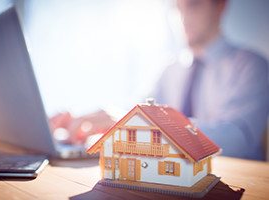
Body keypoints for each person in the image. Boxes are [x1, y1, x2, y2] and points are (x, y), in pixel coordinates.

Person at [51, 0, 269, 160]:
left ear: (220, 6)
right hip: (172, 181)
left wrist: (146, 123)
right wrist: (84, 118)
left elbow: (237, 140)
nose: (182, 18)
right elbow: (137, 108)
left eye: (193, 4)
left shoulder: (252, 66)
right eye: (176, 7)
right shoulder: (169, 69)